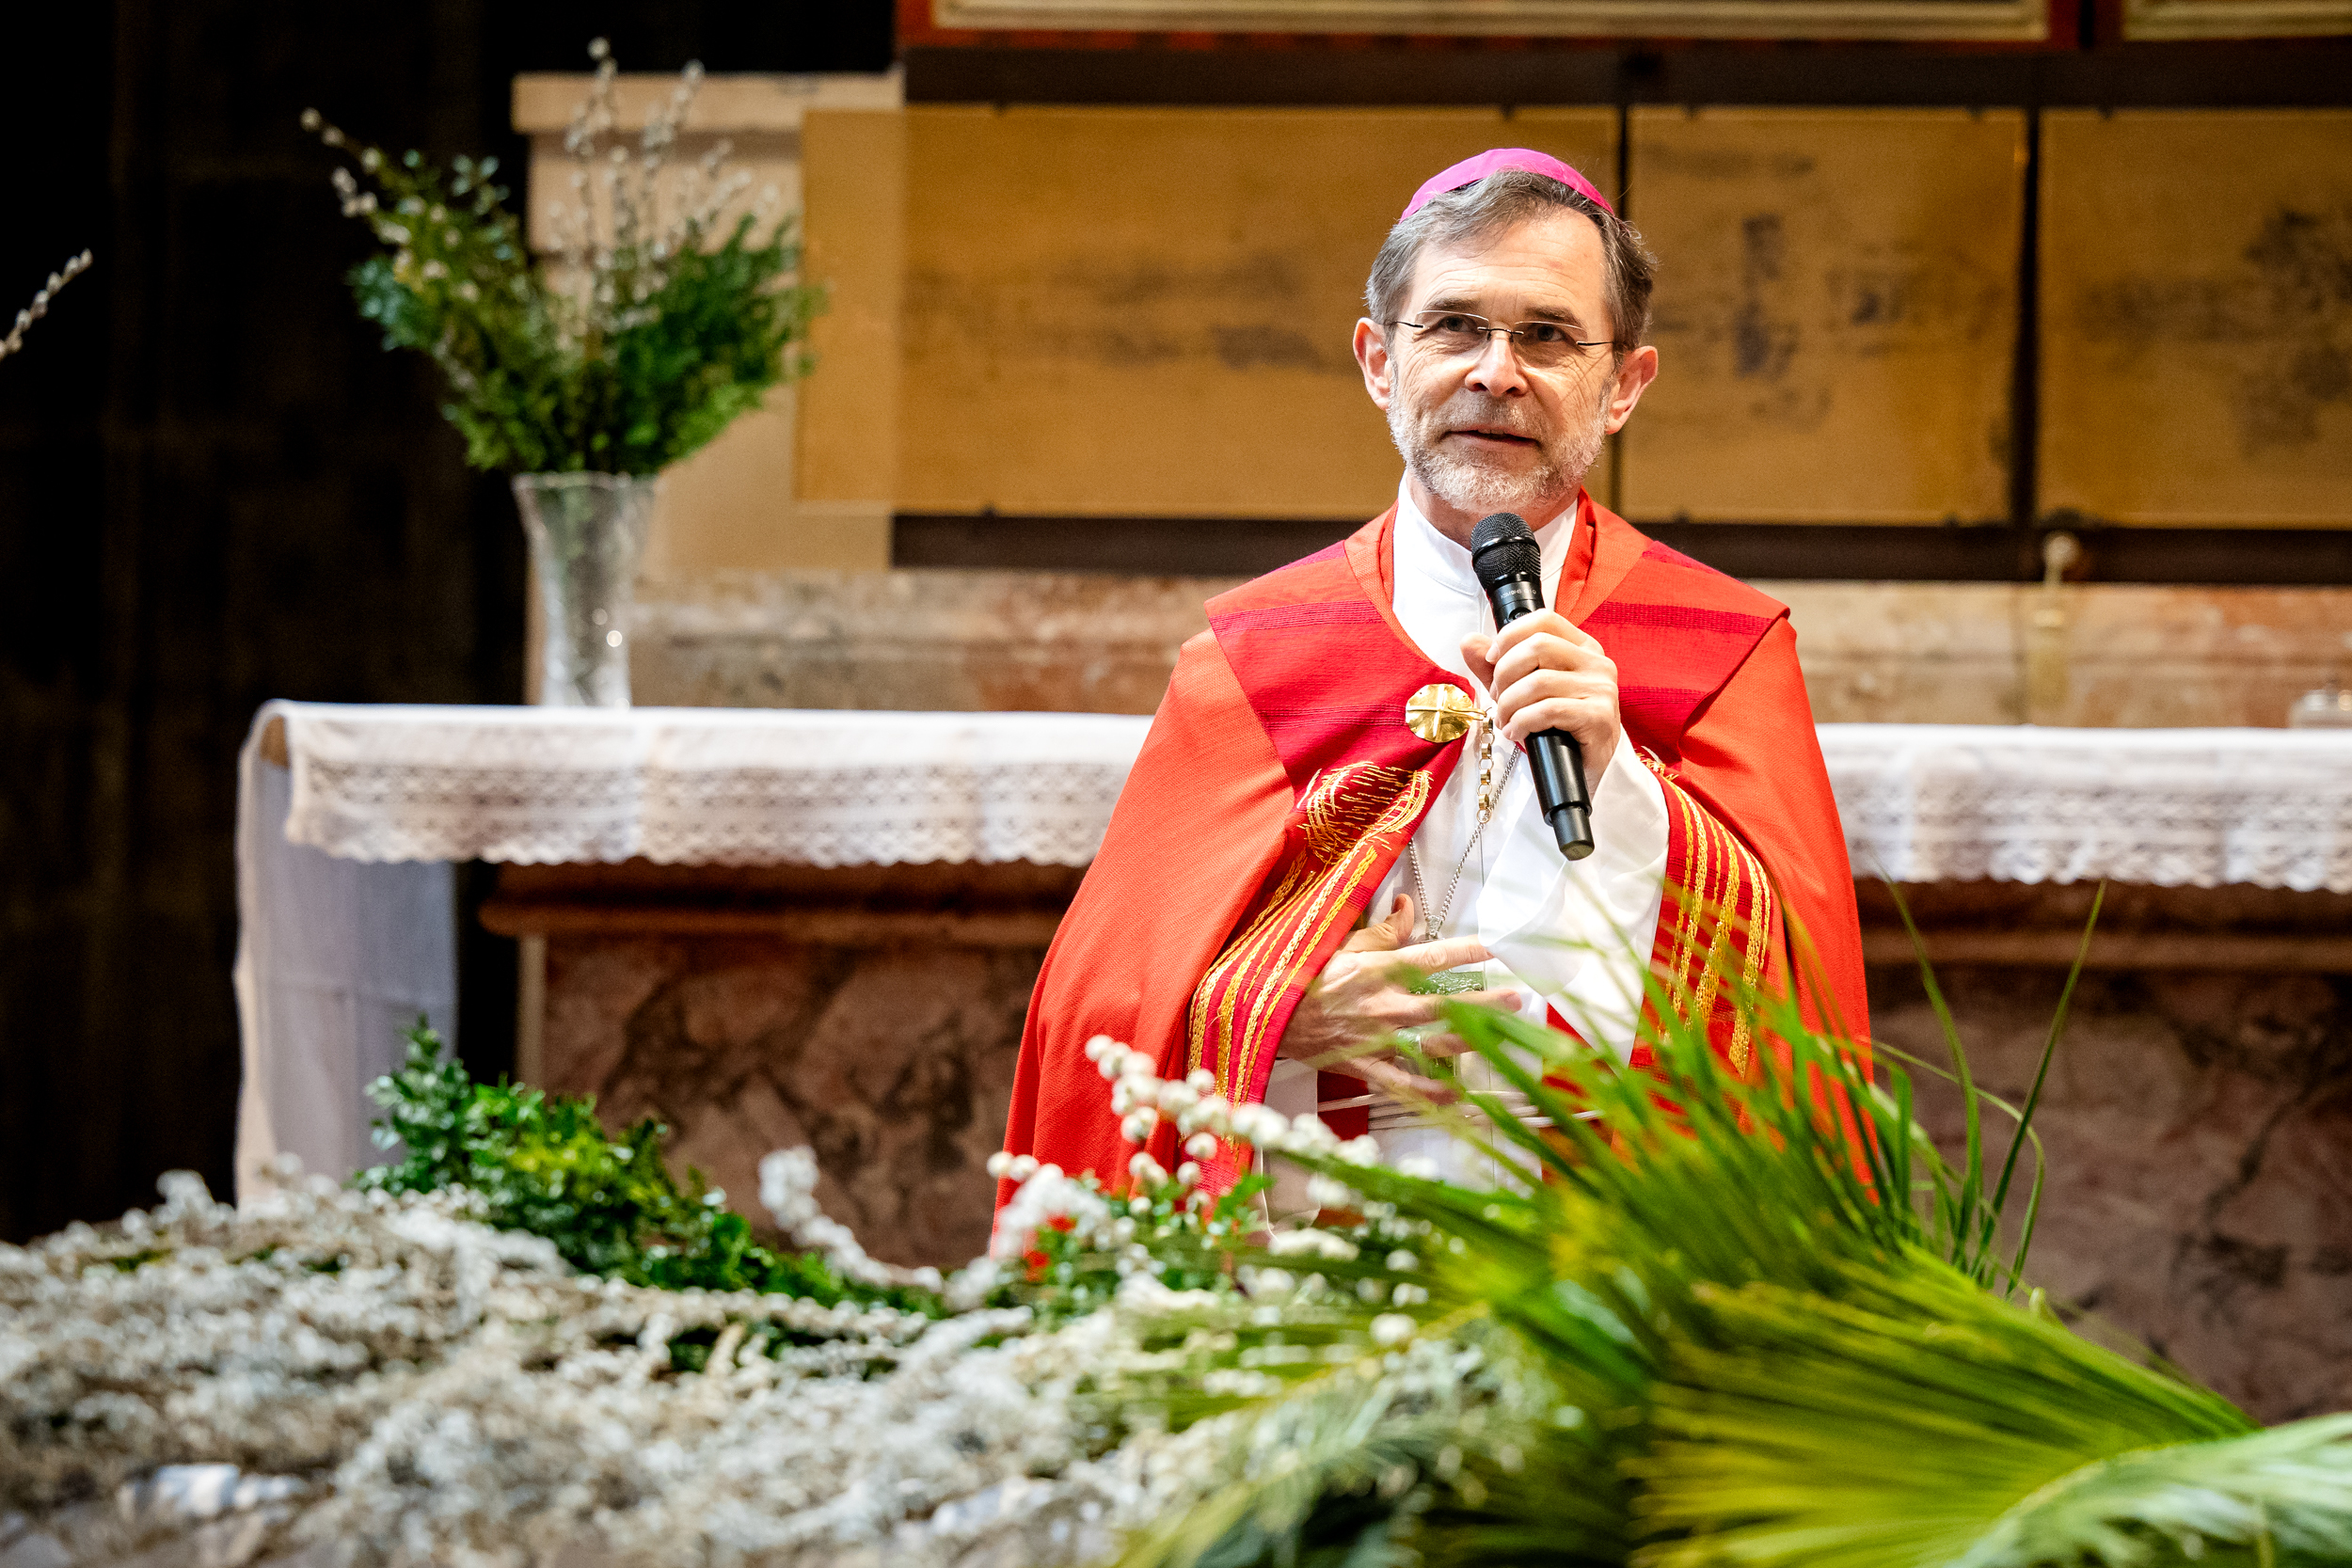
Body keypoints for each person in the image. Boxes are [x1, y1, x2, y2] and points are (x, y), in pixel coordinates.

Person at [998, 149, 1868, 1201]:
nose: (1496, 372)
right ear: (1379, 361)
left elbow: (1801, 1000)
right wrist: (1272, 1009)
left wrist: (1628, 790)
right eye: (1454, 325)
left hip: (1610, 1236)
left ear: (1624, 386)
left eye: (1547, 335)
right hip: (1310, 1230)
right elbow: (1096, 1008)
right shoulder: (1256, 655)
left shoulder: (1719, 649)